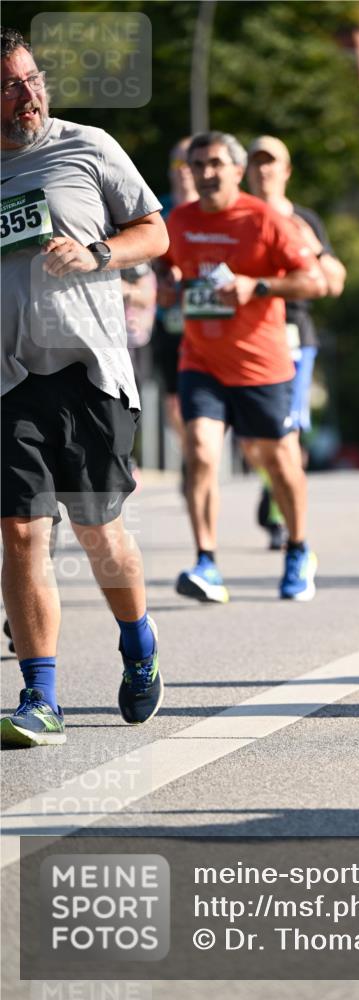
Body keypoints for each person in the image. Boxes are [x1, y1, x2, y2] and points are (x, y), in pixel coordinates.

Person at [0, 27, 168, 747]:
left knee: (100, 532)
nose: (29, 94)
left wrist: (98, 252)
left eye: (33, 79)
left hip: (89, 371)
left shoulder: (88, 146)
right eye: (11, 85)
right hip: (9, 378)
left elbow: (154, 233)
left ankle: (138, 643)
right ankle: (41, 695)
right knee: (19, 531)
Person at [157, 131, 325, 603]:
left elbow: (312, 281)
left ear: (236, 169)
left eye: (214, 164)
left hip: (260, 364)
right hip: (202, 358)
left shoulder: (265, 218)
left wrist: (260, 287)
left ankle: (298, 548)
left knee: (278, 459)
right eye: (196, 165)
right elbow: (167, 265)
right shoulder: (181, 219)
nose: (205, 174)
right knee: (202, 452)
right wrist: (167, 283)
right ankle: (206, 562)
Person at [245, 135, 346, 549]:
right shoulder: (239, 217)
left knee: (286, 431)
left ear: (286, 171)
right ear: (246, 172)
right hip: (245, 336)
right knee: (253, 441)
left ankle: (281, 516)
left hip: (292, 338)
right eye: (257, 163)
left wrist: (310, 252)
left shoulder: (304, 220)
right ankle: (274, 490)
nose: (264, 170)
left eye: (272, 163)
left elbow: (334, 281)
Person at [152, 137, 198, 467]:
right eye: (176, 165)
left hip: (210, 318)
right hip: (168, 315)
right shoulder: (158, 208)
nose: (182, 172)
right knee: (173, 399)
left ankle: (201, 453)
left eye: (188, 164)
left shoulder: (214, 211)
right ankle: (192, 456)